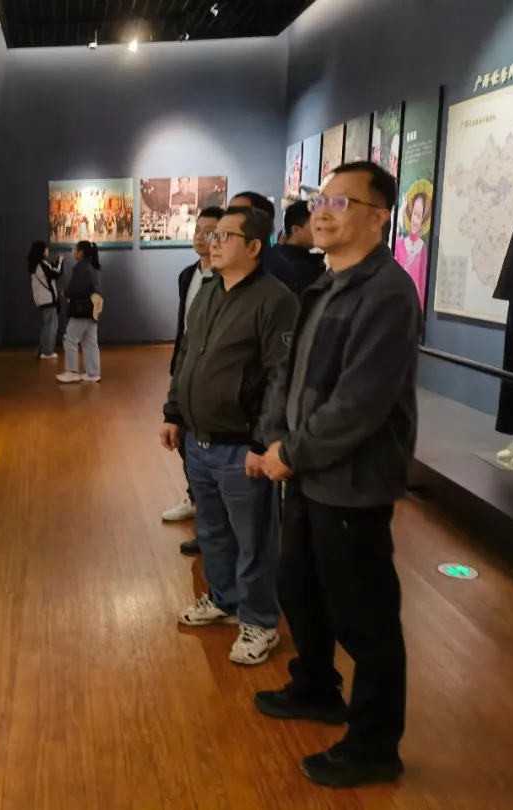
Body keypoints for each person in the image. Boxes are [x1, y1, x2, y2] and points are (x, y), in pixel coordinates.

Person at [256, 161, 420, 788]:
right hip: (305, 474)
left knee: (364, 615)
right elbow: (289, 374)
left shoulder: (388, 294)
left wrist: (291, 452)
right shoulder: (324, 284)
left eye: (340, 203)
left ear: (379, 217)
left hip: (352, 481)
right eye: (320, 200)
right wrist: (274, 438)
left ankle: (375, 745)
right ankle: (316, 686)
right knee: (300, 587)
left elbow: (359, 403)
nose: (321, 212)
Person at [161, 206, 297, 666]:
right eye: (212, 234)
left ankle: (259, 621)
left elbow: (281, 378)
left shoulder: (275, 300)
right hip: (200, 440)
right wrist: (174, 412)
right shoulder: (208, 291)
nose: (213, 242)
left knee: (253, 540)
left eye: (224, 236)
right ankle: (223, 600)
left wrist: (264, 443)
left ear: (255, 246)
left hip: (243, 447)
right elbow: (186, 357)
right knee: (213, 531)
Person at [163, 206, 223, 532]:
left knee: (204, 442)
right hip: (185, 366)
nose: (201, 236)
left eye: (210, 231)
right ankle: (195, 497)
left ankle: (209, 507)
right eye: (198, 229)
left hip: (212, 374)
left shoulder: (227, 279)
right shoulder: (188, 275)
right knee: (184, 439)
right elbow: (183, 326)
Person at [56, 240, 102, 384]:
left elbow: (76, 289)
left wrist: (66, 292)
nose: (74, 252)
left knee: (70, 339)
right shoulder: (92, 267)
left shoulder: (81, 268)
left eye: (75, 249)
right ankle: (93, 373)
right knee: (90, 342)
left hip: (81, 310)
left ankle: (72, 371)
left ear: (81, 253)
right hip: (91, 310)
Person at [266, 200, 326, 297]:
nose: (321, 229)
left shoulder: (276, 256)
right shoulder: (295, 267)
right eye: (315, 224)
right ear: (296, 230)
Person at [394, 185, 431, 307]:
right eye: (415, 214)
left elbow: (422, 290)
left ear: (423, 220)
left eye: (419, 216)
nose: (415, 220)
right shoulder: (398, 245)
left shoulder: (424, 251)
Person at [28, 240, 63, 360]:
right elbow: (55, 274)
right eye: (46, 248)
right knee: (51, 326)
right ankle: (47, 352)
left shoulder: (35, 265)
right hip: (48, 300)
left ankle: (42, 350)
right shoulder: (42, 264)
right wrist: (60, 261)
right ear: (42, 250)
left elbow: (51, 273)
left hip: (42, 300)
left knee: (47, 325)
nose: (47, 250)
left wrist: (56, 264)